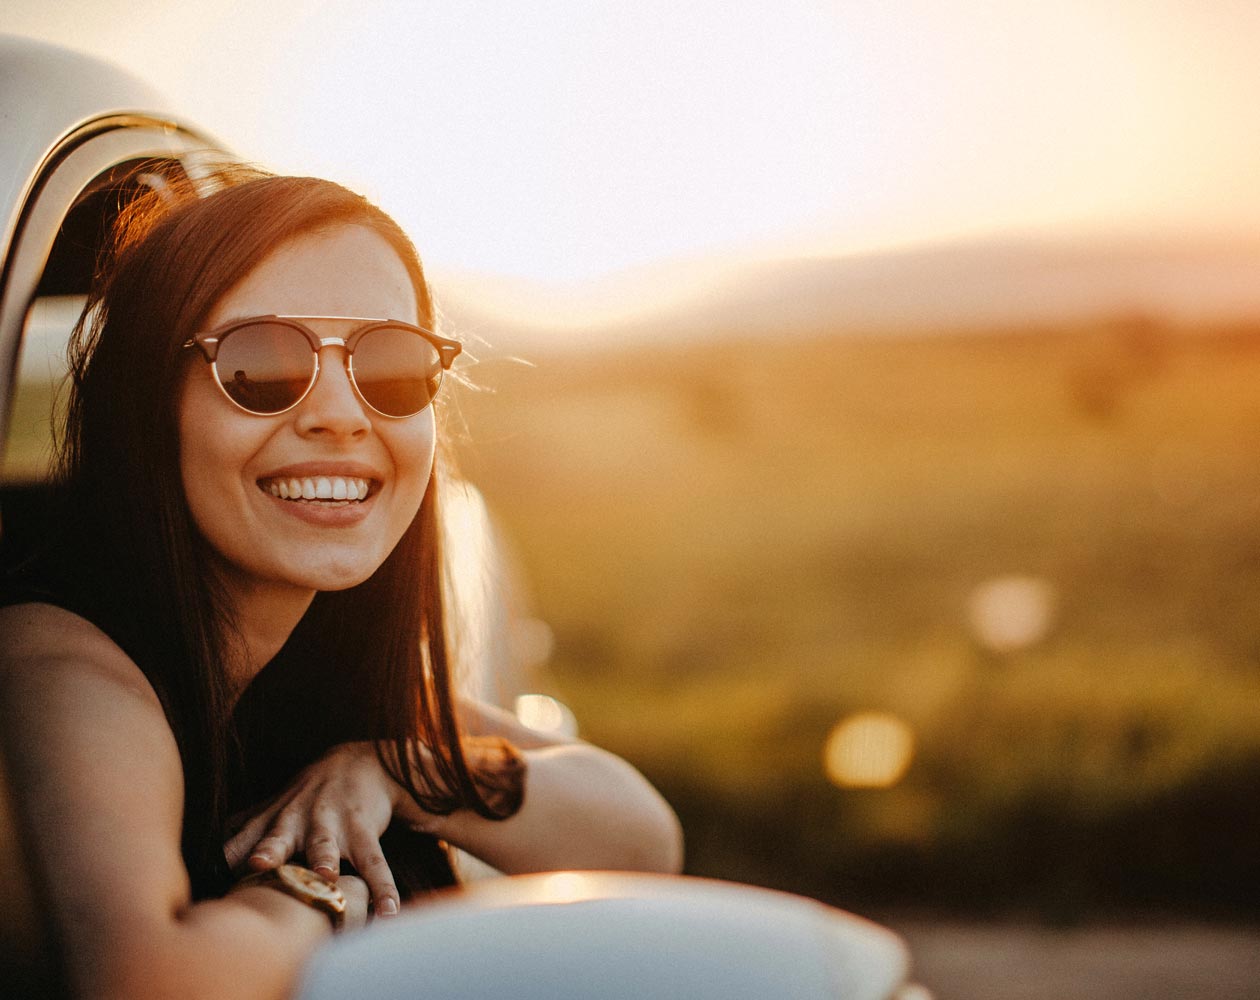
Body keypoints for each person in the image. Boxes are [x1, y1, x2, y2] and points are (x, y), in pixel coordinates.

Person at [0, 165, 682, 999]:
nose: (341, 414)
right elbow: (151, 980)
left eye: (390, 366)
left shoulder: (321, 658)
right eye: (258, 365)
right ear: (148, 401)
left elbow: (642, 839)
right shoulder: (61, 659)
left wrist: (400, 770)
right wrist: (311, 893)